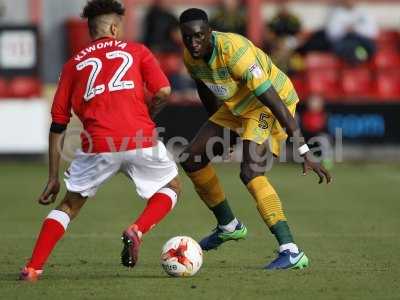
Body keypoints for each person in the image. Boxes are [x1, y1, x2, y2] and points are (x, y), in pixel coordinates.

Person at [19, 0, 180, 281]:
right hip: (140, 137)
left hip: (98, 144)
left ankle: (33, 268)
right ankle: (137, 229)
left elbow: (59, 122)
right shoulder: (137, 50)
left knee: (69, 205)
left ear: (91, 29)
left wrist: (53, 176)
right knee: (172, 187)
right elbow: (164, 90)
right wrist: (148, 112)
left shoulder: (73, 65)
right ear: (115, 27)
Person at [178, 8, 332, 270]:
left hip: (270, 104)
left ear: (209, 33)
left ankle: (291, 250)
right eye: (188, 37)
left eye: (199, 36)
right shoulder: (191, 57)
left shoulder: (236, 53)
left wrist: (304, 150)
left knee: (251, 171)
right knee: (192, 158)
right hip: (236, 104)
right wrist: (222, 133)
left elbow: (275, 103)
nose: (194, 43)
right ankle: (228, 226)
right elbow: (205, 88)